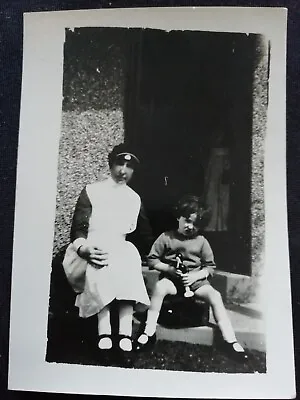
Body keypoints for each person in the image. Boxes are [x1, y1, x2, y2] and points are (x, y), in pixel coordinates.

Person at [63, 143, 150, 365]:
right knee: (101, 258)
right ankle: (104, 332)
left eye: (129, 166)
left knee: (129, 257)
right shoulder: (92, 191)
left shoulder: (134, 198)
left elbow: (143, 233)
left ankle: (124, 333)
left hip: (119, 248)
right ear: (110, 164)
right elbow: (79, 229)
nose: (123, 171)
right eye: (120, 163)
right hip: (89, 249)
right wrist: (84, 249)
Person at [133, 194, 248, 362]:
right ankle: (148, 332)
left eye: (196, 224)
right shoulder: (167, 237)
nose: (190, 226)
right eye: (187, 220)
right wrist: (169, 269)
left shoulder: (201, 241)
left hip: (196, 283)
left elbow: (210, 267)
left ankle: (230, 340)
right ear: (178, 216)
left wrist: (196, 276)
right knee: (160, 288)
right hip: (173, 280)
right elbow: (152, 259)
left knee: (215, 296)